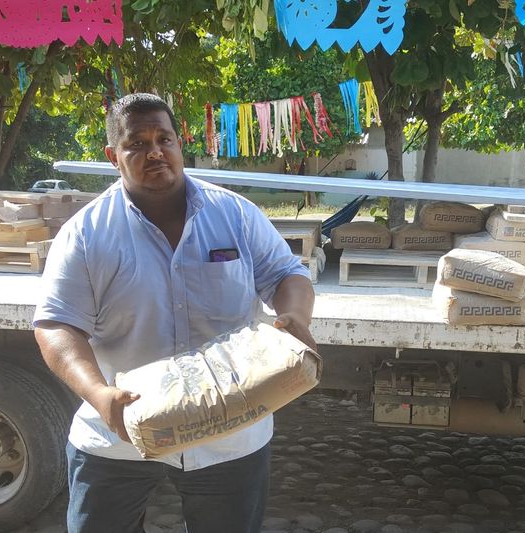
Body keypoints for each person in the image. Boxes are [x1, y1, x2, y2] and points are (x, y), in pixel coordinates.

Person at [33, 93, 316, 533]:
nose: (154, 152)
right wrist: (98, 396)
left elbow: (287, 275)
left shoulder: (235, 214)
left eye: (164, 138)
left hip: (231, 432)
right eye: (136, 144)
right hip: (119, 433)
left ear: (179, 143)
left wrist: (295, 319)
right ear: (113, 156)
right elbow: (56, 324)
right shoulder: (86, 234)